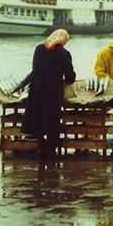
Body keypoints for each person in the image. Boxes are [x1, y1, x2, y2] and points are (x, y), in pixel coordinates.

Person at [20, 29, 76, 160]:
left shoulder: (39, 49)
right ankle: (51, 153)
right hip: (52, 94)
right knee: (52, 124)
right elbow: (70, 76)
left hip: (36, 92)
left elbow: (36, 69)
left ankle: (41, 151)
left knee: (38, 122)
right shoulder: (63, 53)